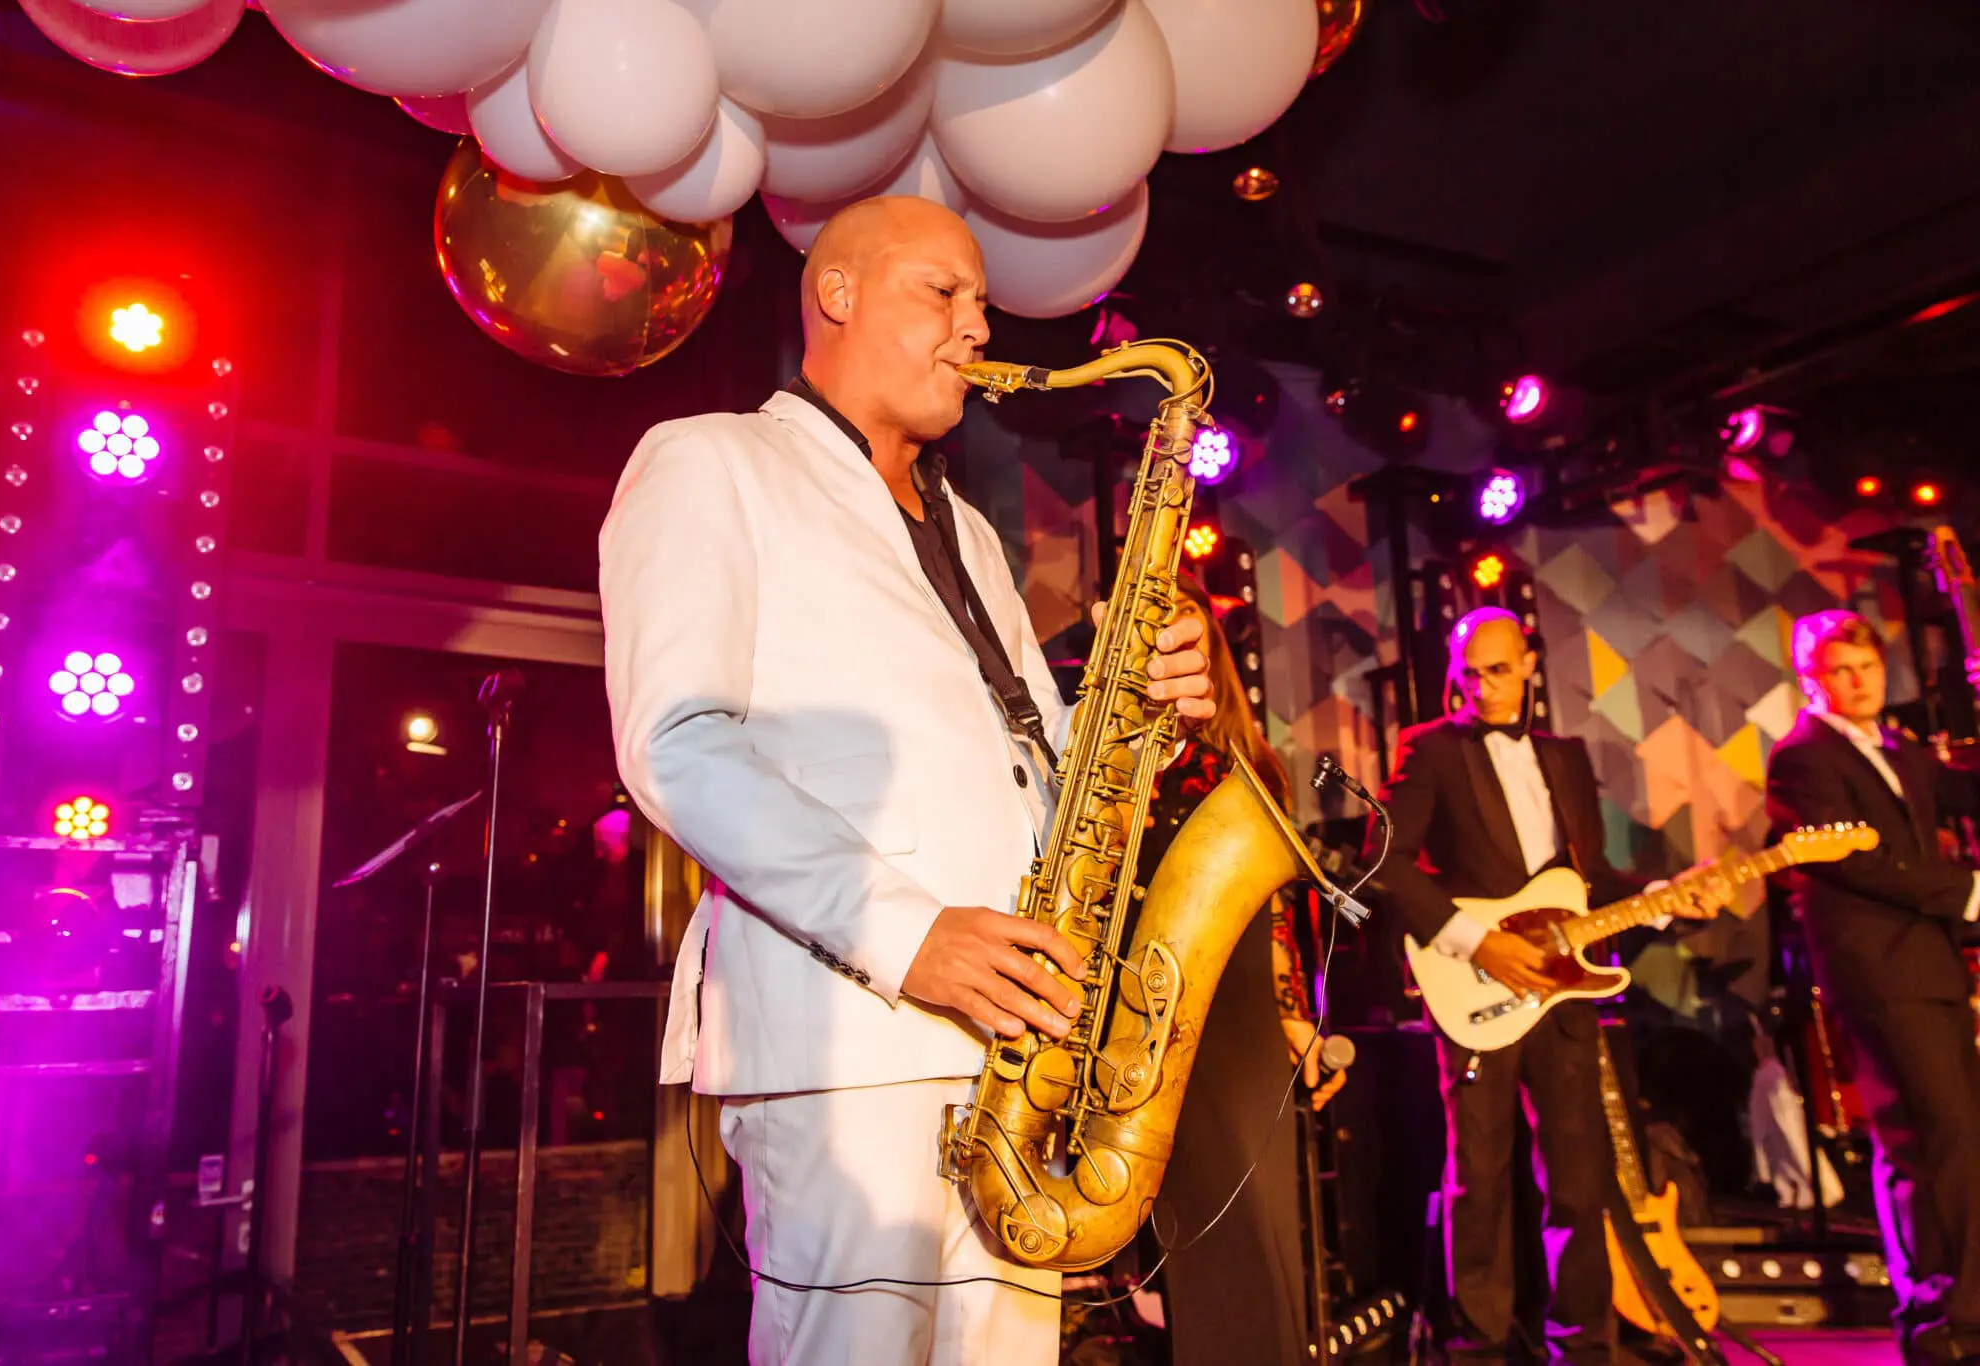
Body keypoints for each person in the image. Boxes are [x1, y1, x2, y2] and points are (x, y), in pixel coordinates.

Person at [598, 195, 1216, 1366]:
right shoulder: (710, 461)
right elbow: (676, 741)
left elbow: (1030, 760)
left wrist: (1135, 711)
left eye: (980, 302)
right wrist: (907, 932)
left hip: (1016, 1046)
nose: (976, 326)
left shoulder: (969, 531)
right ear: (836, 293)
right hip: (847, 1040)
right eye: (944, 293)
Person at [1365, 608, 1727, 1365]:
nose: (1482, 688)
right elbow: (1383, 861)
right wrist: (1479, 941)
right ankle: (1477, 1345)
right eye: (1468, 674)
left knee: (1578, 1175)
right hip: (1475, 981)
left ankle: (1582, 1344)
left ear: (1529, 665)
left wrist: (1664, 898)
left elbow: (1585, 885)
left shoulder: (1566, 756)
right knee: (1481, 1174)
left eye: (1498, 670)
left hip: (1561, 993)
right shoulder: (1430, 748)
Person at [1135, 571, 1345, 1366]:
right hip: (1153, 1008)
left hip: (1244, 1012)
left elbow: (1277, 905)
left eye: (1186, 627)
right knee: (1191, 1230)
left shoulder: (1245, 760)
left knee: (1258, 1225)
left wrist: (1293, 1009)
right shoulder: (1117, 762)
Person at [1766, 610, 1980, 1366]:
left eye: (1869, 667)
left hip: (1931, 965)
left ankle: (1943, 1310)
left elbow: (1967, 792)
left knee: (1949, 1137)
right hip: (1877, 968)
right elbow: (1851, 863)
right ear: (1812, 681)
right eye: (1842, 671)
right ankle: (1952, 1315)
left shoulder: (1898, 749)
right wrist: (1964, 892)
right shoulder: (1802, 758)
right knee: (1936, 1135)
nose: (1860, 683)